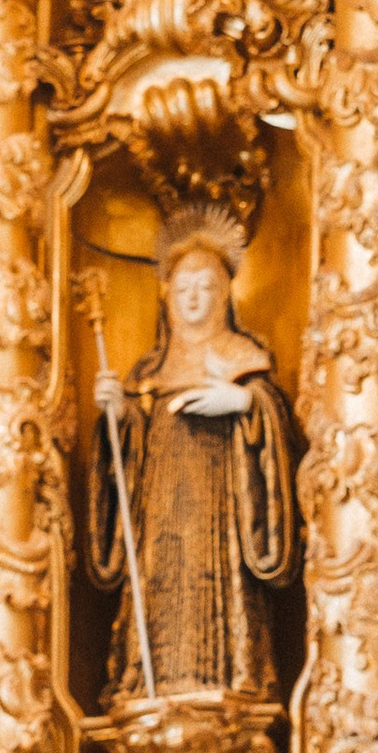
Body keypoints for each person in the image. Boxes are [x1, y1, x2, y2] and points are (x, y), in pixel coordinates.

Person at [84, 213, 299, 706]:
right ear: (168, 297)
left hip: (220, 510)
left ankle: (229, 673)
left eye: (206, 287)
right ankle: (149, 680)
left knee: (222, 586)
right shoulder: (150, 370)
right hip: (160, 516)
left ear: (225, 294)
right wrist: (118, 418)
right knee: (158, 587)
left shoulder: (246, 358)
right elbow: (127, 457)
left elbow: (277, 433)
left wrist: (247, 405)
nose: (195, 299)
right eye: (184, 289)